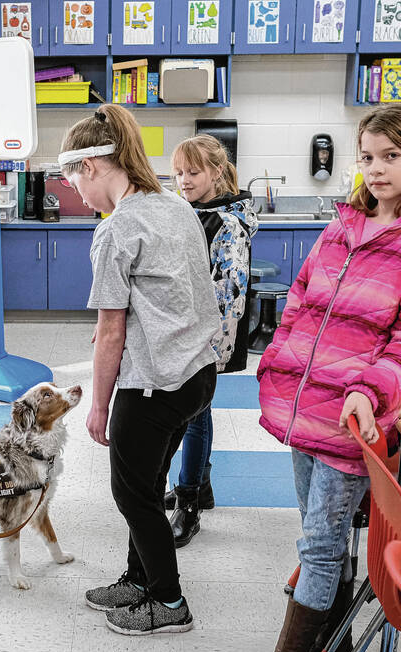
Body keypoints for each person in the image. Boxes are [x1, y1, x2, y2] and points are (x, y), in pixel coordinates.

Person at [245, 104, 401, 652]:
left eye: (392, 156)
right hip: (302, 406)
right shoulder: (342, 226)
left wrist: (370, 391)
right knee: (321, 536)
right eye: (367, 157)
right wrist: (276, 358)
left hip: (350, 421)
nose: (377, 169)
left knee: (319, 544)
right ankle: (332, 641)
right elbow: (299, 298)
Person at [63, 105, 220, 635]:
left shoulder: (116, 229)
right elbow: (175, 290)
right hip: (196, 374)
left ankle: (169, 602)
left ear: (90, 167)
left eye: (75, 183)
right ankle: (140, 580)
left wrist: (99, 405)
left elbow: (111, 330)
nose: (79, 196)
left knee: (133, 495)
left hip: (154, 382)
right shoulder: (175, 205)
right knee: (149, 485)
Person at [165, 135, 259, 547]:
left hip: (207, 338)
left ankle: (189, 505)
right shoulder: (194, 212)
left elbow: (229, 295)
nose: (183, 181)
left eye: (193, 172)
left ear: (216, 172)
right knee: (196, 414)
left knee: (194, 416)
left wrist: (207, 348)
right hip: (187, 332)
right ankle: (199, 487)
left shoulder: (226, 224)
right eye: (178, 173)